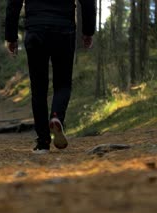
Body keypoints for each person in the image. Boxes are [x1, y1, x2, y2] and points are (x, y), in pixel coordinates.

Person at [5, 0, 96, 154]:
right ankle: (56, 117)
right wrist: (88, 31)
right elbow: (87, 2)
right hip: (64, 30)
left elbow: (13, 4)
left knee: (38, 88)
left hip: (36, 29)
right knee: (63, 83)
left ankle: (43, 142)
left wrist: (11, 36)